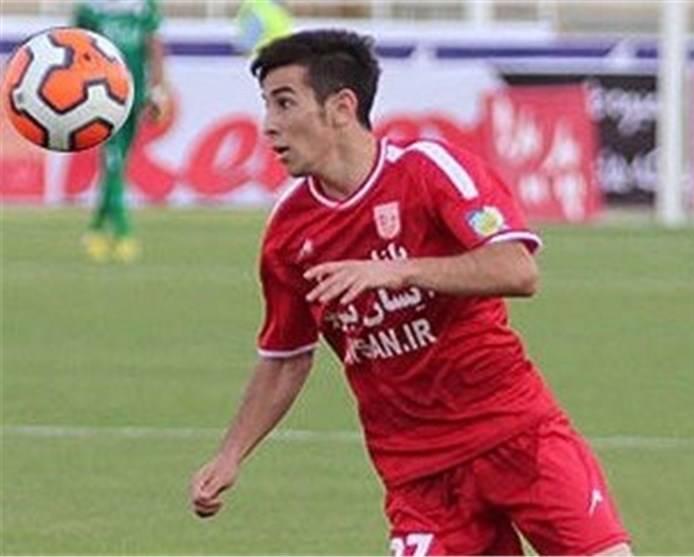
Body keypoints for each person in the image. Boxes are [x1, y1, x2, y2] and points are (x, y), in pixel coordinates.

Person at [190, 29, 633, 556]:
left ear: (341, 107)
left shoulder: (428, 171)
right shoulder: (289, 232)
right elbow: (286, 358)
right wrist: (231, 455)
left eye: (284, 103)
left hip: (517, 435)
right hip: (419, 476)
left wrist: (397, 272)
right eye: (266, 105)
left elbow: (518, 270)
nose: (269, 125)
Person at [73, 0, 169, 263]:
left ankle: (96, 227)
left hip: (134, 94)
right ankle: (123, 230)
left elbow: (154, 47)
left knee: (119, 162)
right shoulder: (90, 8)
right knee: (113, 160)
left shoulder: (145, 6)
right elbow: (76, 50)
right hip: (101, 96)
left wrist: (158, 88)